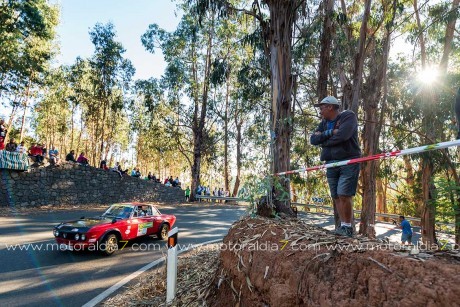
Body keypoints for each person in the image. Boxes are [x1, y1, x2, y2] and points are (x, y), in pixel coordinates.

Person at [310, 96, 361, 237]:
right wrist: (330, 133)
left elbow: (343, 136)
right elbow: (313, 139)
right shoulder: (324, 123)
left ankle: (347, 227)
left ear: (330, 107)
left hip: (348, 161)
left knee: (344, 193)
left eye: (322, 108)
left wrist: (324, 141)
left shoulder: (348, 116)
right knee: (336, 196)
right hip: (331, 163)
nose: (320, 112)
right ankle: (342, 227)